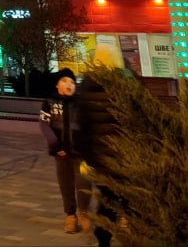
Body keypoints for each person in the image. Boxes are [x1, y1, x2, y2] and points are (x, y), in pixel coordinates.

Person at [40, 68, 91, 234]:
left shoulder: (82, 104)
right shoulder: (49, 103)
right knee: (66, 184)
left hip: (80, 152)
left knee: (84, 182)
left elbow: (88, 127)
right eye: (64, 81)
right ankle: (71, 216)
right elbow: (45, 125)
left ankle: (84, 213)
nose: (69, 84)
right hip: (61, 153)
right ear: (57, 85)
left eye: (72, 82)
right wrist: (56, 146)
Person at [78, 70, 124, 247]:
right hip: (121, 155)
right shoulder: (122, 86)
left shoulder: (86, 88)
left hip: (101, 157)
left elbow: (83, 127)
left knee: (108, 198)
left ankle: (104, 234)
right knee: (121, 199)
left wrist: (88, 157)